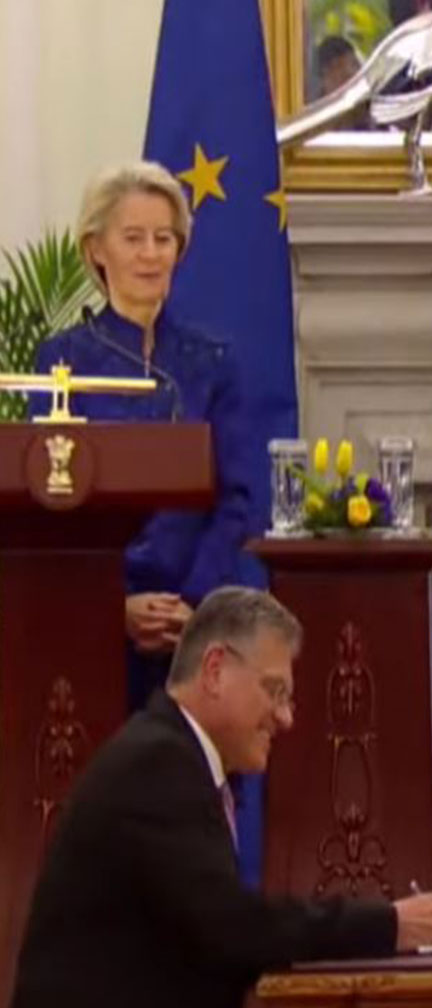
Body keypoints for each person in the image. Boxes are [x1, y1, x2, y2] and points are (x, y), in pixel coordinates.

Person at [0, 587, 432, 1008]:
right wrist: (388, 925)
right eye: (275, 691)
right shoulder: (157, 765)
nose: (288, 717)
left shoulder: (167, 751)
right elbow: (233, 927)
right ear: (215, 671)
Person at [33, 163, 258, 710]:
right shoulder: (62, 360)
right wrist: (118, 604)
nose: (151, 254)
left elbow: (239, 496)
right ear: (96, 251)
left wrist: (193, 604)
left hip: (198, 623)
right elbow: (52, 506)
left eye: (164, 239)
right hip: (97, 621)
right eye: (133, 239)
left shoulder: (213, 361)